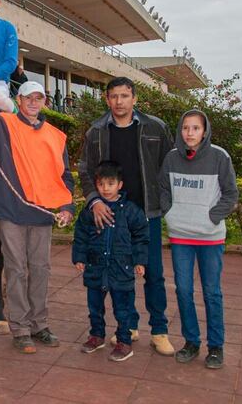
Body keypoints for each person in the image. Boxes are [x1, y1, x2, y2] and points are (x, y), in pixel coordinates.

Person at [0, 80, 74, 354]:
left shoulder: (56, 136)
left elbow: (65, 176)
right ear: (18, 101)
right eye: (28, 97)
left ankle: (40, 325)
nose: (33, 102)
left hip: (42, 213)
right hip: (10, 209)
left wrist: (68, 206)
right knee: (16, 270)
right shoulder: (3, 125)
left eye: (39, 97)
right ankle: (21, 328)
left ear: (45, 102)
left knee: (41, 270)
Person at [77, 76, 175, 356]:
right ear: (107, 100)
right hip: (109, 215)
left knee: (153, 273)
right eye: (114, 97)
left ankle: (159, 330)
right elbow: (86, 170)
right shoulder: (96, 131)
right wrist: (94, 200)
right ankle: (129, 326)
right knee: (119, 273)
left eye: (124, 96)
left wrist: (162, 203)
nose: (119, 102)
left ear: (134, 99)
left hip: (145, 214)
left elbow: (168, 168)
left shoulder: (155, 127)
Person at [159, 109, 238, 369]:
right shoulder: (171, 158)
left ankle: (216, 347)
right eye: (185, 128)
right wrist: (171, 213)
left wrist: (212, 217)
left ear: (204, 131)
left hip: (210, 237)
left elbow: (230, 194)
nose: (190, 133)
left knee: (212, 292)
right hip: (181, 235)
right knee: (183, 290)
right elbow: (162, 189)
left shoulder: (219, 156)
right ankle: (191, 341)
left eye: (195, 128)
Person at [72, 161, 149, 362]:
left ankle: (124, 341)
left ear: (120, 185)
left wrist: (139, 260)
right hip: (96, 267)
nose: (106, 189)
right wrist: (80, 257)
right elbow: (81, 234)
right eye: (101, 184)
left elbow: (141, 235)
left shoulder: (131, 211)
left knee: (123, 308)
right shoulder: (91, 211)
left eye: (110, 184)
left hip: (121, 269)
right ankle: (97, 335)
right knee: (94, 307)